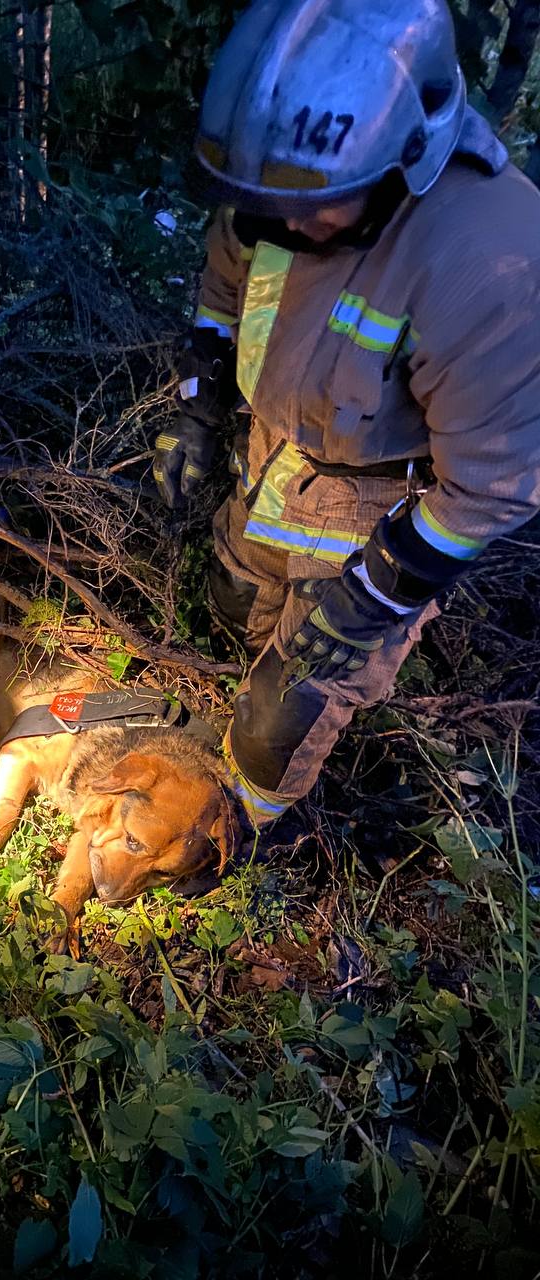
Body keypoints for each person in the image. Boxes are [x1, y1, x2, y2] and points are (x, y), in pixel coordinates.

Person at [153, 0, 540, 827]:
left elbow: (495, 486)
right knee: (230, 604)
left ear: (409, 151)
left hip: (377, 504)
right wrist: (197, 409)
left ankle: (239, 839)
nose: (282, 226)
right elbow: (224, 292)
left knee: (282, 713)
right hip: (271, 454)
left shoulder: (492, 258)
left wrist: (378, 594)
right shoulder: (281, 186)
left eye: (312, 211)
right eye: (260, 204)